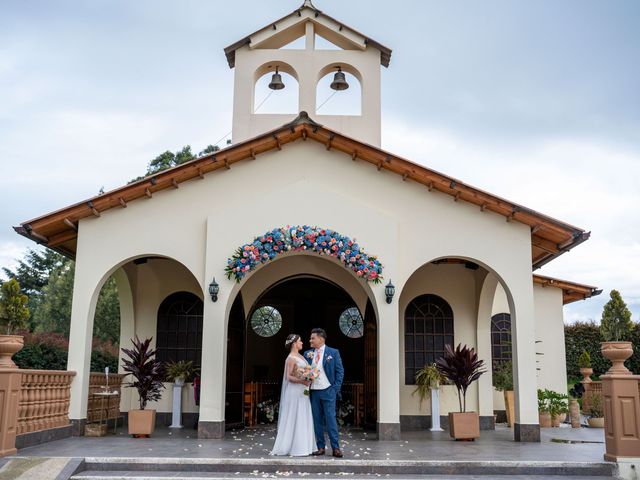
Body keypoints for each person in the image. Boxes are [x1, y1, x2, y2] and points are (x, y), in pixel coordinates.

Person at [270, 334, 316, 456]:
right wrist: (302, 380)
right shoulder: (290, 358)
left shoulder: (300, 356)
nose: (302, 343)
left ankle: (304, 446)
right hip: (295, 390)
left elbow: (306, 370)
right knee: (295, 415)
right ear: (294, 343)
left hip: (303, 390)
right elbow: (288, 376)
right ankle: (295, 447)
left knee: (303, 414)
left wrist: (310, 377)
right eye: (300, 341)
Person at [306, 327, 344, 458]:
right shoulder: (308, 354)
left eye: (313, 338)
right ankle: (320, 447)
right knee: (317, 420)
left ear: (321, 339)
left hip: (328, 390)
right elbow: (304, 371)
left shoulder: (333, 352)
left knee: (330, 419)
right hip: (314, 392)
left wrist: (335, 389)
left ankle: (336, 448)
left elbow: (340, 371)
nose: (310, 340)